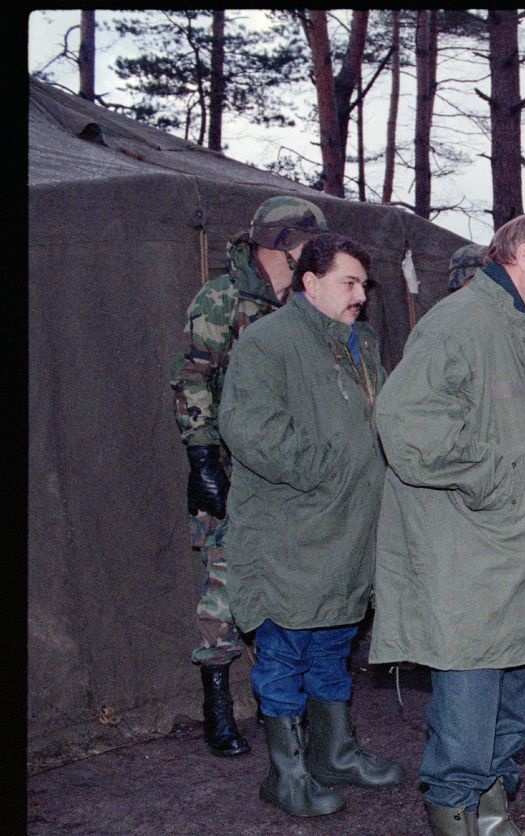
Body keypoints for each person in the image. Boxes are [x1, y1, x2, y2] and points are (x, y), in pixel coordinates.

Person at [371, 214, 525, 836]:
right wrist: (492, 475)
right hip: (469, 561)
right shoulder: (460, 325)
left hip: (512, 561)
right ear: (520, 257)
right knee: (465, 719)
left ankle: (492, 830)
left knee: (511, 707)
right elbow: (403, 427)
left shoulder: (519, 330)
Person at [218, 232, 404, 818]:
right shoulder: (268, 344)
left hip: (348, 529)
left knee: (333, 642)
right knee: (285, 650)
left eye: (364, 284)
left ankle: (336, 751)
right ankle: (287, 772)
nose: (360, 295)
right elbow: (251, 430)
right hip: (290, 534)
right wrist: (332, 468)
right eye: (348, 283)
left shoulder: (362, 344)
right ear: (311, 283)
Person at [170, 195, 329, 758]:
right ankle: (216, 700)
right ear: (287, 241)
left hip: (292, 466)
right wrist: (202, 457)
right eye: (312, 239)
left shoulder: (309, 298)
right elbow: (192, 378)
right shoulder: (221, 298)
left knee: (293, 577)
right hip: (234, 466)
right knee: (226, 578)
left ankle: (281, 701)